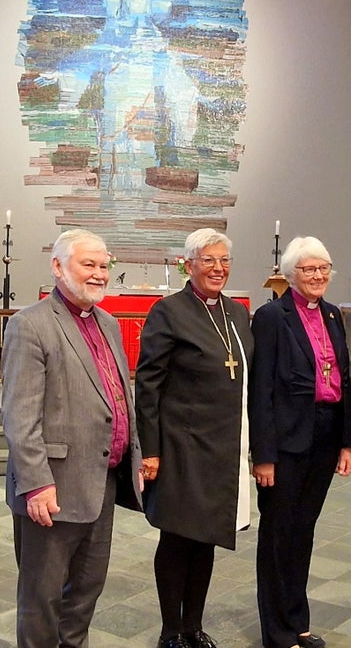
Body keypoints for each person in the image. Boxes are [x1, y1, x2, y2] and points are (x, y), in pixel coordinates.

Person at [1, 228, 143, 648]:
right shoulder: (31, 325)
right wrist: (36, 483)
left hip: (100, 481)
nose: (99, 274)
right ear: (58, 267)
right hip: (53, 488)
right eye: (89, 264)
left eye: (104, 266)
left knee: (84, 594)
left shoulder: (110, 324)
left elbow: (120, 398)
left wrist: (134, 458)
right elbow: (19, 415)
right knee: (42, 602)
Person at [135, 227, 254, 648]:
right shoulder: (168, 312)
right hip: (181, 445)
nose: (218, 268)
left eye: (224, 261)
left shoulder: (237, 313)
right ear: (189, 265)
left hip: (223, 446)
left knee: (207, 536)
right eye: (209, 260)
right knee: (177, 536)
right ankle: (171, 630)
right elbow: (148, 385)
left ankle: (194, 627)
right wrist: (149, 449)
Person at [249, 236, 351, 648]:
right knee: (278, 535)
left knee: (304, 532)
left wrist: (346, 442)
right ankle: (277, 631)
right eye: (308, 269)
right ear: (291, 275)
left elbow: (343, 379)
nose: (317, 276)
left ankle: (299, 622)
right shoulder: (272, 317)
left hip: (325, 436)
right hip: (286, 441)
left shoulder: (332, 314)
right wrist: (264, 455)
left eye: (323, 268)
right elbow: (261, 391)